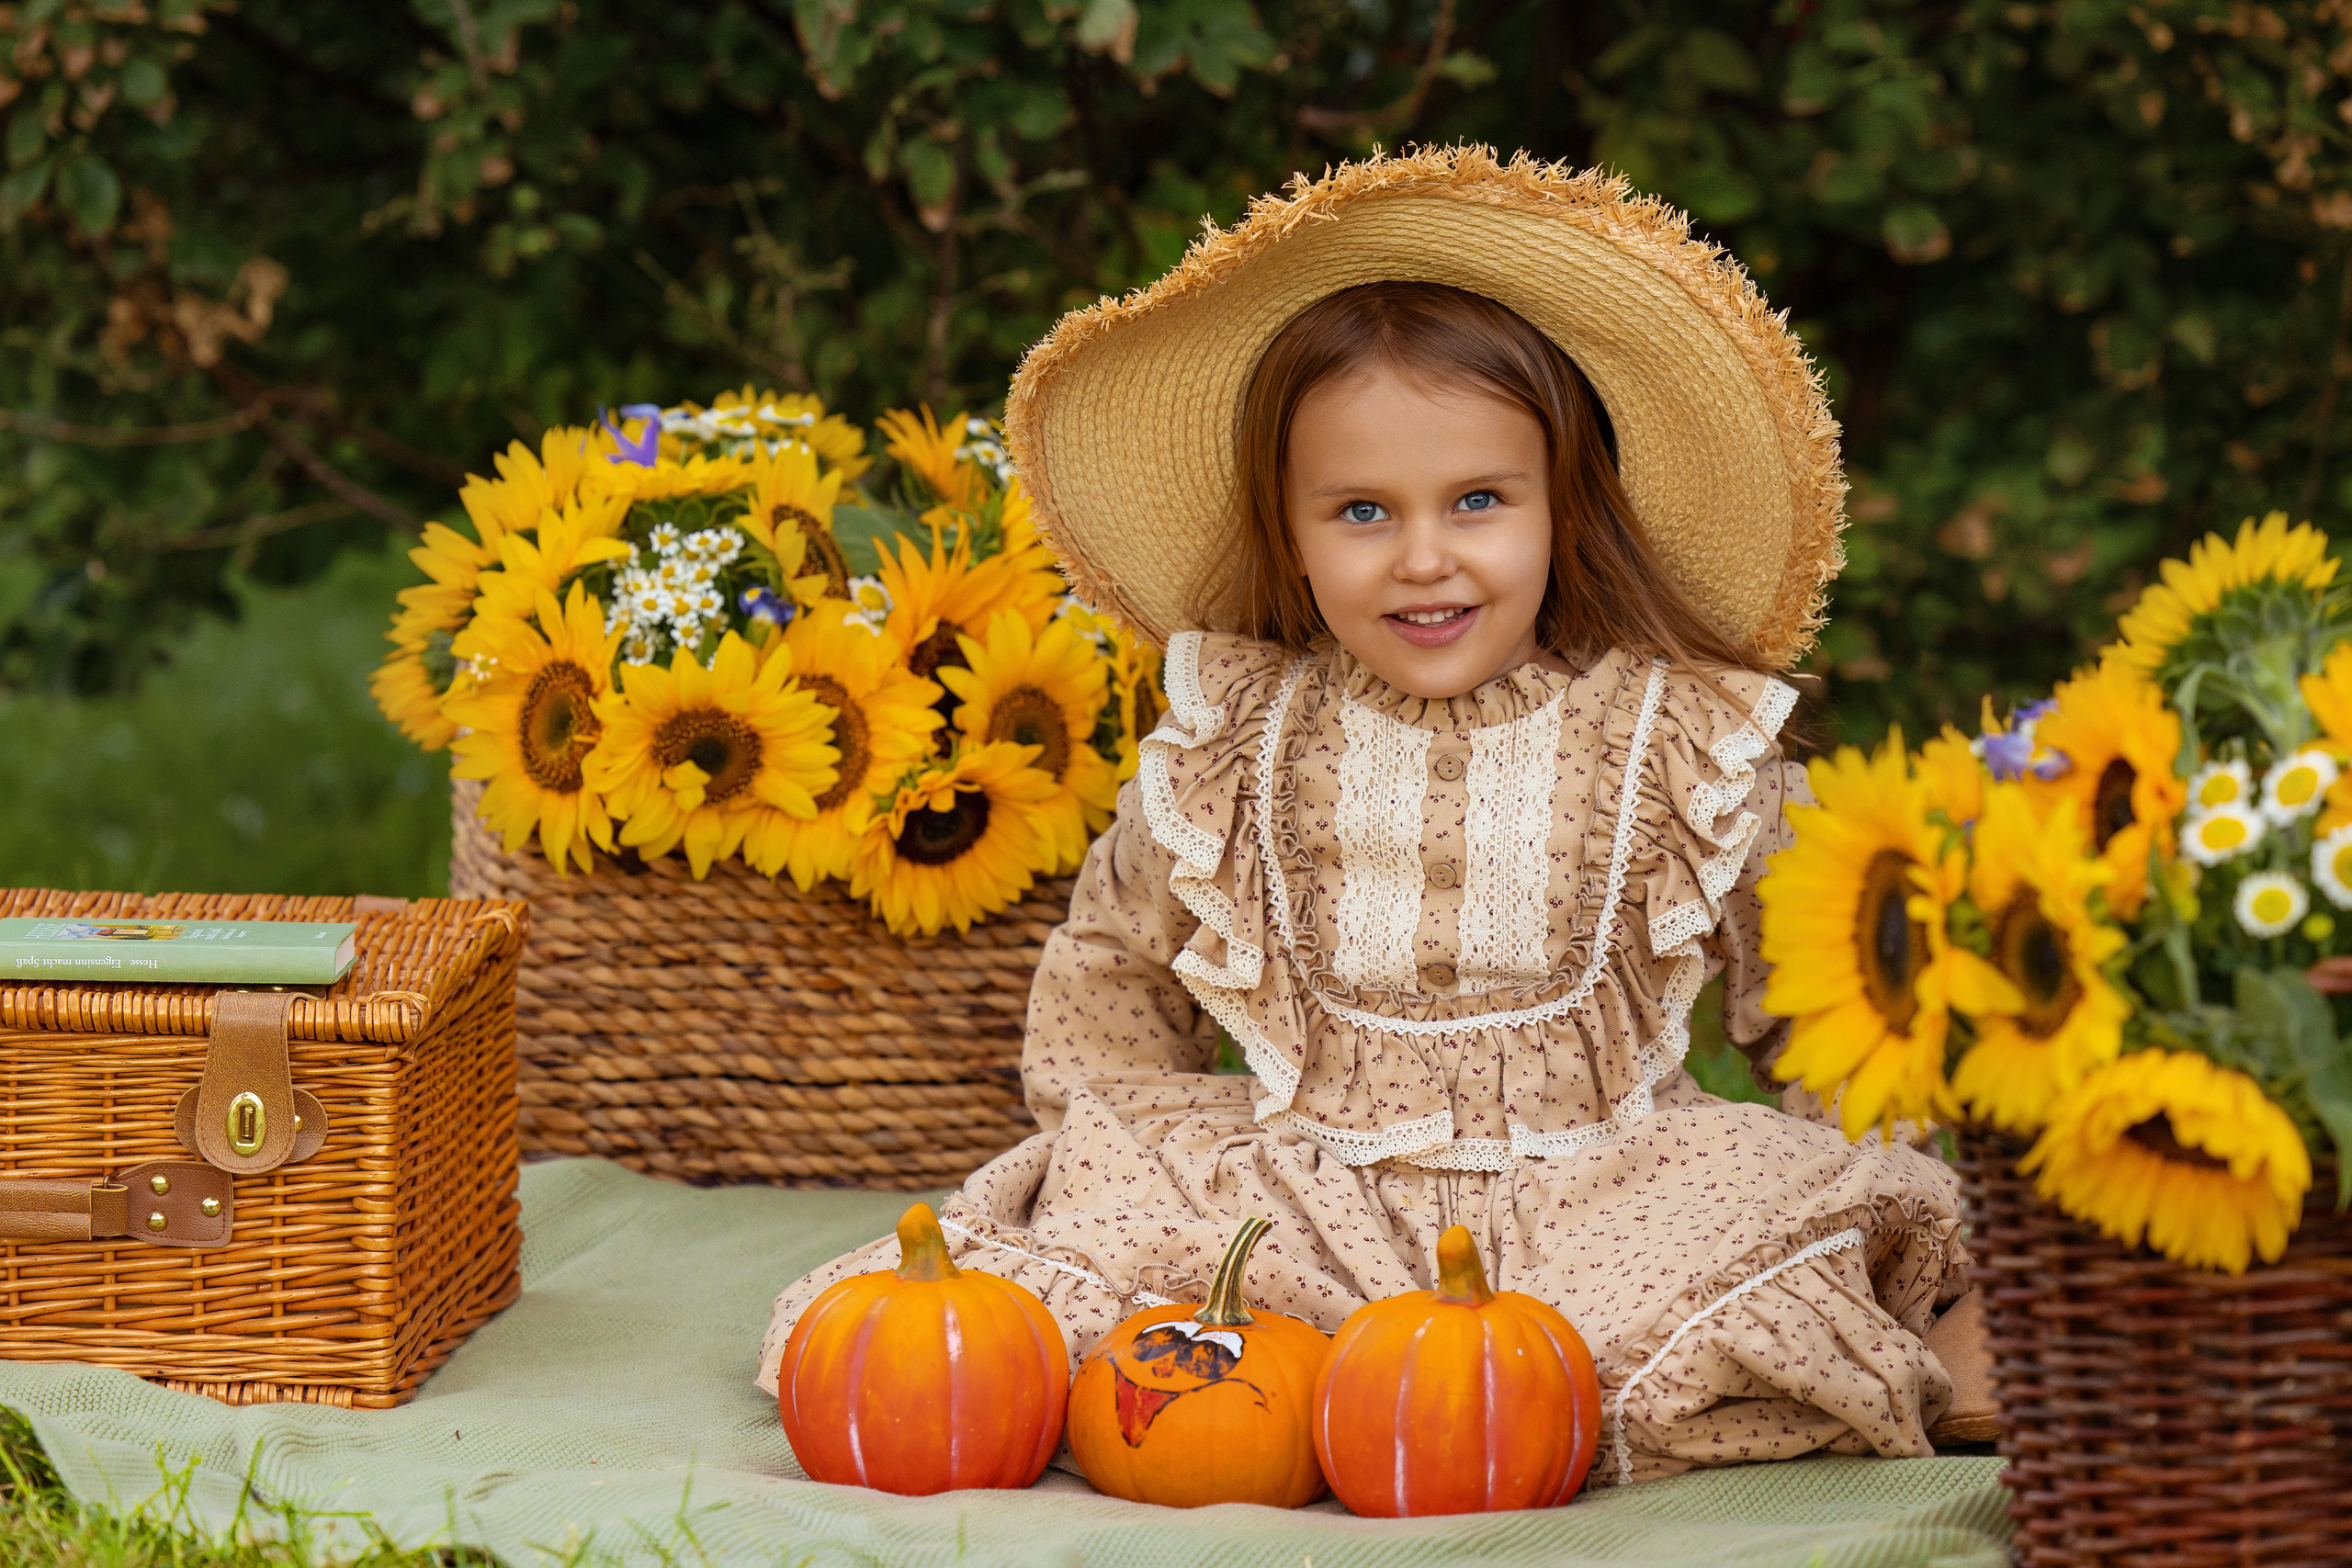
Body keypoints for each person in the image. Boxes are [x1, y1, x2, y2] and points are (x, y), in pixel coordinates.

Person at [758, 147, 1993, 1487]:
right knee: (1106, 1238)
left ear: (1561, 510)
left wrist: (1885, 1163)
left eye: (1477, 501)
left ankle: (1749, 1356)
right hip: (1310, 1190)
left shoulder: (1670, 738)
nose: (1422, 556)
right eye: (1361, 510)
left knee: (1687, 1299)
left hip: (1599, 1190)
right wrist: (1095, 1137)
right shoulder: (1243, 735)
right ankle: (1332, 1390)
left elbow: (1817, 986)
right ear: (1290, 534)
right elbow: (1114, 956)